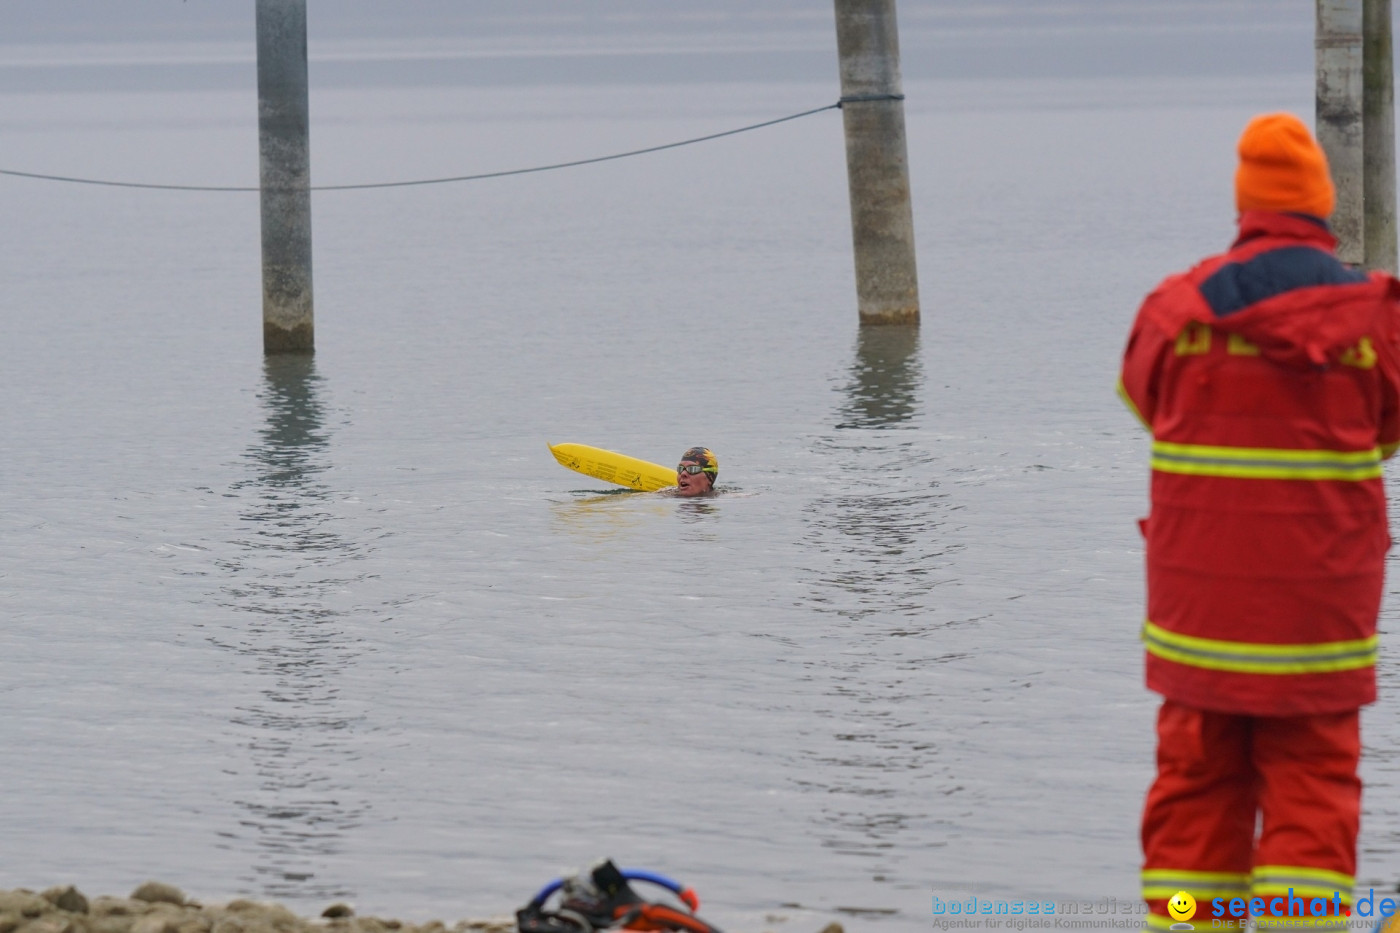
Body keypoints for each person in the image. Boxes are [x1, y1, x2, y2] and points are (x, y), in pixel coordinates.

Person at [1118, 112, 1400, 931]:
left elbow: (1147, 403)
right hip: (1318, 624)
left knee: (1195, 792)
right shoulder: (1377, 321)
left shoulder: (1175, 310)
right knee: (1312, 792)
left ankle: (1185, 922)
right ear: (1322, 208)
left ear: (1245, 206)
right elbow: (1386, 433)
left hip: (1198, 623)